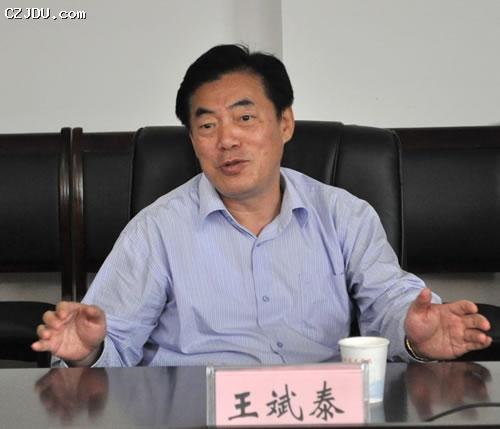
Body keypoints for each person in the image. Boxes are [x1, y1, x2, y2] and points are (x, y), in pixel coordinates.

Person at [32, 44, 492, 367]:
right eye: (207, 126)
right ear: (193, 140)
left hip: (318, 410)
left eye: (245, 117)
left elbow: (389, 302)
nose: (227, 139)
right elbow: (109, 338)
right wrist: (87, 351)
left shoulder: (344, 215)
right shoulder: (156, 229)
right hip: (194, 413)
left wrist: (416, 336)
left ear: (285, 123)